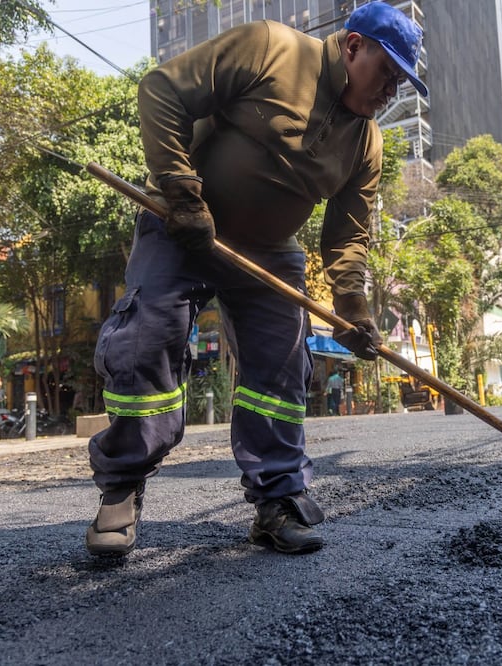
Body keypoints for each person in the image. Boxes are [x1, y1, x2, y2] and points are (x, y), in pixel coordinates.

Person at [85, 2, 428, 557]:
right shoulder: (271, 47)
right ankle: (121, 488)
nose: (391, 90)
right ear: (353, 45)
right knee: (146, 342)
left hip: (269, 253)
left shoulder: (367, 143)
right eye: (386, 71)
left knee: (282, 368)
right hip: (184, 226)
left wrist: (353, 307)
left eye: (401, 83)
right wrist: (180, 193)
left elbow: (347, 237)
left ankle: (277, 502)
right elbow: (161, 91)